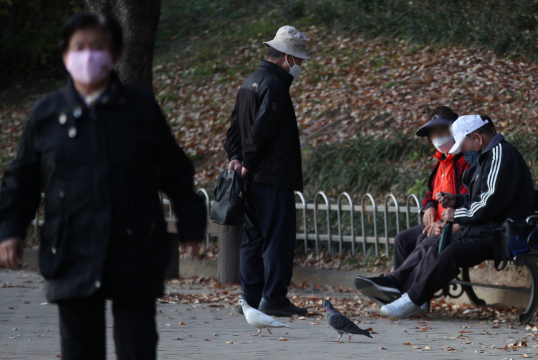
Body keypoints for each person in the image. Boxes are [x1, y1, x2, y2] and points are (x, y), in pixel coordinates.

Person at [0, 13, 207, 360]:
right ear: (65, 55)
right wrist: (9, 229)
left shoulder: (139, 108)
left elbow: (175, 169)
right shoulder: (47, 113)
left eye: (98, 47)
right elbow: (21, 178)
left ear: (113, 54)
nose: (88, 55)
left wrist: (191, 220)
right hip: (71, 250)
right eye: (79, 47)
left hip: (134, 246)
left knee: (137, 347)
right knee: (80, 350)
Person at [379, 114, 535, 318]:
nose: (463, 152)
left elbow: (488, 203)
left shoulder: (501, 154)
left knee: (451, 251)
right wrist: (457, 200)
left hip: (505, 233)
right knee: (440, 244)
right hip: (489, 228)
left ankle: (413, 299)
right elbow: (475, 198)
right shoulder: (485, 157)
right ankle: (414, 298)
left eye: (464, 146)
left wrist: (454, 215)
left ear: (478, 139)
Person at [224, 25, 309, 317]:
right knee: (277, 239)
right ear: (288, 57)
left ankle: (249, 299)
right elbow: (261, 132)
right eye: (299, 60)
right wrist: (246, 166)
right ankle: (273, 298)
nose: (300, 66)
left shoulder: (250, 81)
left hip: (251, 177)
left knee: (253, 239)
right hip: (271, 176)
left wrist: (236, 160)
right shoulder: (275, 86)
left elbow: (234, 129)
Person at [354, 106, 469, 305]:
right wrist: (430, 207)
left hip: (455, 225)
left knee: (425, 238)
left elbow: (467, 198)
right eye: (433, 133)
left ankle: (406, 291)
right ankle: (395, 291)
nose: (438, 136)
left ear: (454, 130)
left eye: (442, 130)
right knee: (402, 239)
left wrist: (445, 221)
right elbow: (431, 192)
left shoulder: (464, 161)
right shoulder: (440, 161)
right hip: (438, 221)